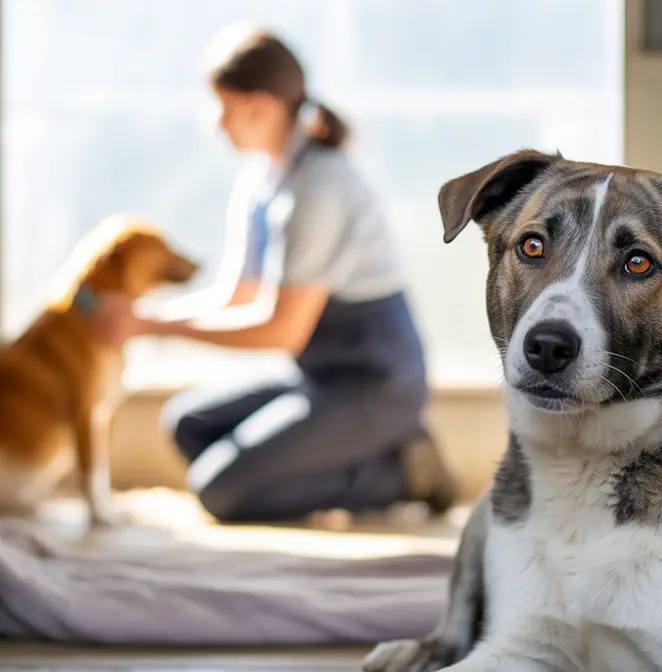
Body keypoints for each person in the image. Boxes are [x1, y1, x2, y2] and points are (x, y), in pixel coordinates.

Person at [90, 26, 456, 523]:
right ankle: (349, 454)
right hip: (319, 377)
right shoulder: (260, 181)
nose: (216, 123)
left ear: (261, 107)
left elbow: (281, 330)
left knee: (219, 491)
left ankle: (402, 472)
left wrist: (151, 326)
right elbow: (237, 298)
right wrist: (144, 317)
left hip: (375, 386)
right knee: (187, 424)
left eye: (223, 107)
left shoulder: (319, 186)